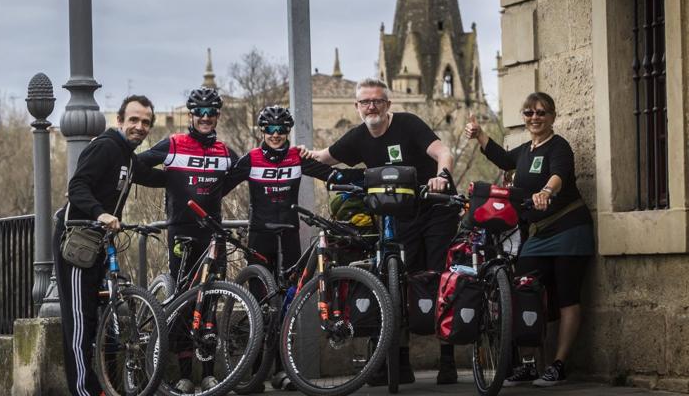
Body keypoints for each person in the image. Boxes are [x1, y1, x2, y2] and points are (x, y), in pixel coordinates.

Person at [300, 77, 459, 385]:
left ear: (388, 104)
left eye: (378, 101)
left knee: (438, 278)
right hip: (400, 215)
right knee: (399, 282)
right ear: (357, 107)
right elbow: (324, 157)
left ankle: (448, 358)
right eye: (365, 102)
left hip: (434, 208)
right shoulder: (359, 136)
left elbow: (444, 152)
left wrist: (442, 176)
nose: (371, 106)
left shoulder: (409, 124)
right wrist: (301, 153)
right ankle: (401, 362)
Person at [213, 105, 360, 391]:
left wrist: (371, 179)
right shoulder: (251, 159)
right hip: (260, 237)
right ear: (262, 131)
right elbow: (219, 189)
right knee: (257, 302)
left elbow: (334, 176)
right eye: (270, 129)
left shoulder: (297, 158)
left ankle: (281, 370)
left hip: (290, 236)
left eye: (282, 130)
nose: (276, 134)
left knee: (287, 304)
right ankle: (255, 372)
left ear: (288, 132)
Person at [465, 92, 593, 387]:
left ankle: (558, 364)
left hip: (568, 230)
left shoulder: (558, 147)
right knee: (524, 294)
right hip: (537, 236)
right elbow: (503, 158)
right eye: (529, 113)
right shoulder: (524, 151)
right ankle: (529, 363)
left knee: (567, 297)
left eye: (541, 113)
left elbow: (559, 175)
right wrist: (479, 134)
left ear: (552, 116)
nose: (535, 118)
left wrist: (547, 192)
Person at [53, 94, 166, 396]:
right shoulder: (105, 146)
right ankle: (83, 391)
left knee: (105, 313)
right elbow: (76, 187)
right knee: (80, 320)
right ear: (119, 120)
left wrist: (186, 176)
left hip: (100, 241)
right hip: (79, 240)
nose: (139, 126)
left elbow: (152, 178)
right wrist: (100, 212)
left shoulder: (128, 156)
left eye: (145, 122)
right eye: (134, 120)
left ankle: (105, 385)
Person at [137, 86, 238, 394]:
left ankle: (207, 373)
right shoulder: (174, 144)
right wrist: (167, 180)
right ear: (191, 116)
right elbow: (137, 167)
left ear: (217, 116)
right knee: (182, 302)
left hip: (213, 233)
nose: (206, 118)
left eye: (211, 113)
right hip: (181, 232)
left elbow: (242, 173)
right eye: (200, 113)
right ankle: (184, 375)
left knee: (209, 302)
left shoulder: (224, 152)